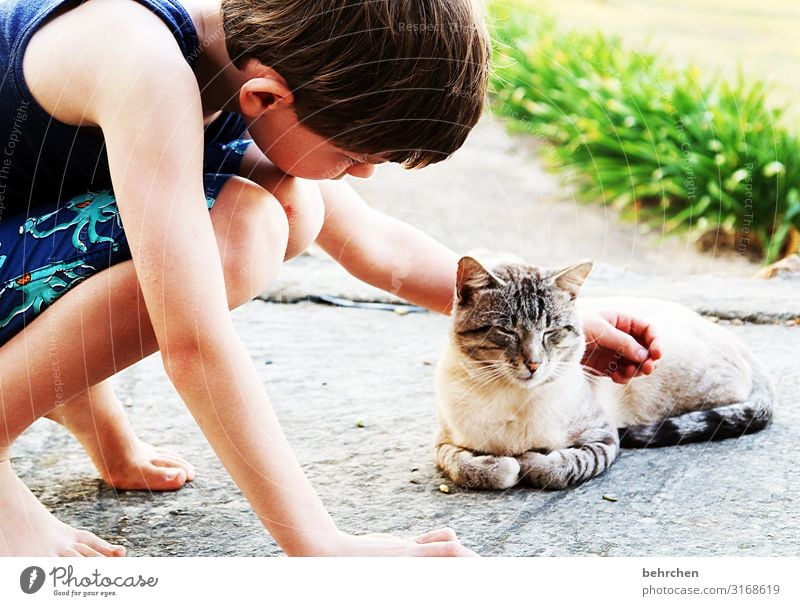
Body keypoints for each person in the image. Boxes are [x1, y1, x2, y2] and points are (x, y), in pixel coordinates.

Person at [0, 0, 660, 557]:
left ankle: (62, 390)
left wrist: (568, 320)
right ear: (266, 96)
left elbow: (382, 248)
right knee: (241, 232)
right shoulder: (143, 65)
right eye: (352, 157)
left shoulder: (250, 57)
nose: (364, 175)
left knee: (292, 201)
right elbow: (193, 341)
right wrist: (320, 546)